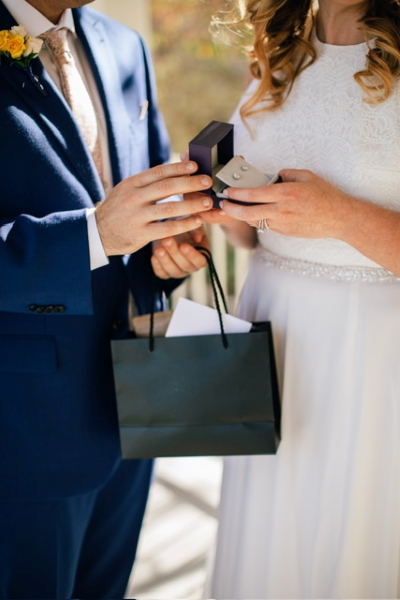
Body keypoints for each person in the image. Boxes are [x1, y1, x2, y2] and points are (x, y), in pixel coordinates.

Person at [0, 0, 214, 598]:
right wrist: (93, 235)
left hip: (137, 413)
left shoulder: (123, 46)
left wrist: (168, 254)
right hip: (23, 432)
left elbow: (138, 220)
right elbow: (101, 228)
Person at [202, 0, 400, 597]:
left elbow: (328, 217)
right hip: (272, 327)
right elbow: (249, 230)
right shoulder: (276, 47)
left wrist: (340, 216)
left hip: (373, 346)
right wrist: (213, 207)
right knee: (274, 539)